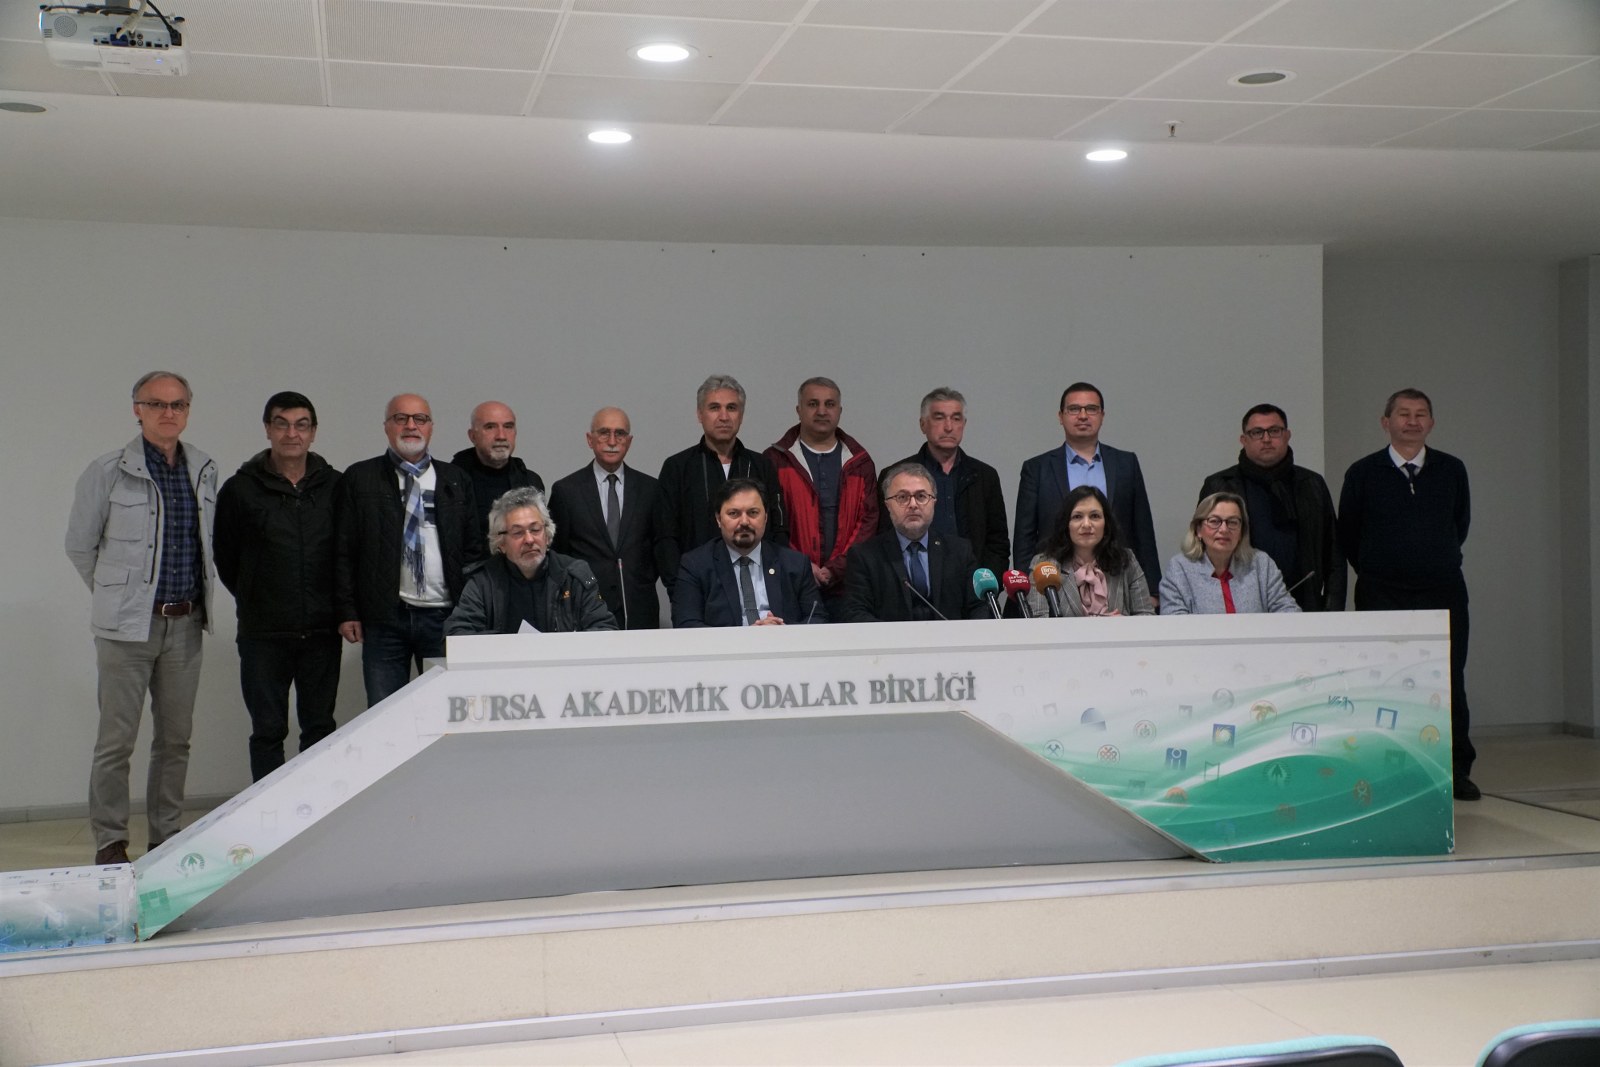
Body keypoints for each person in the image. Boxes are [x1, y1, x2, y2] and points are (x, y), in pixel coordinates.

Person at [66, 371, 217, 865]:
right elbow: (80, 546)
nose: (167, 413)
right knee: (116, 742)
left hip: (186, 626)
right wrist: (118, 598)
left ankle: (166, 837)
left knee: (175, 741)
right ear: (137, 409)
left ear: (187, 410)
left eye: (177, 405)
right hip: (126, 631)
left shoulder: (204, 469)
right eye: (156, 404)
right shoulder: (108, 470)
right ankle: (110, 841)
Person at [1338, 388, 1478, 800]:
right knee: (1385, 681)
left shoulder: (1452, 470)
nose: (1412, 421)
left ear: (1431, 423)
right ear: (1386, 423)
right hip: (1381, 592)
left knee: (1448, 678)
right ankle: (1384, 769)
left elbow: (1459, 525)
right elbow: (1349, 534)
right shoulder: (1363, 473)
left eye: (1420, 414)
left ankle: (1455, 769)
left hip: (1443, 590)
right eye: (1403, 414)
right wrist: (1381, 569)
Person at [214, 391, 342, 783]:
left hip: (322, 631)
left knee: (320, 728)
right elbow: (226, 558)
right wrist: (258, 596)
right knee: (268, 730)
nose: (292, 434)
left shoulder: (336, 487)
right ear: (268, 429)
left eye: (301, 425)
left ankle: (318, 807)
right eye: (282, 424)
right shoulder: (240, 490)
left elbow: (347, 552)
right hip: (263, 634)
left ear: (313, 432)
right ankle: (269, 813)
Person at [335, 393, 483, 706]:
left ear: (431, 427)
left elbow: (473, 551)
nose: (411, 426)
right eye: (400, 418)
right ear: (386, 427)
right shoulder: (360, 478)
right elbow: (344, 550)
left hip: (445, 618)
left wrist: (470, 611)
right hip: (385, 619)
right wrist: (348, 610)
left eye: (420, 419)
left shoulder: (456, 479)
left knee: (448, 711)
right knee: (386, 712)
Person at [1013, 382, 1160, 598]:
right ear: (1060, 416)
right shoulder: (1037, 468)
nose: (1083, 416)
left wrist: (1152, 590)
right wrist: (1026, 590)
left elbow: (1143, 530)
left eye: (1091, 409)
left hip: (1116, 581)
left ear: (1102, 415)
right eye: (1074, 409)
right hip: (1056, 585)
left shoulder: (1126, 464)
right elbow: (1024, 537)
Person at [1198, 403, 1345, 612]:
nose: (1266, 439)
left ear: (1287, 435)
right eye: (1257, 432)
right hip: (1239, 605)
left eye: (1274, 431)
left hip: (1305, 604)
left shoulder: (1311, 484)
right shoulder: (1220, 484)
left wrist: (1333, 609)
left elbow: (1333, 552)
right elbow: (1203, 551)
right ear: (1244, 440)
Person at [658, 375, 786, 593]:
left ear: (741, 415)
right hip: (697, 588)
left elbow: (778, 530)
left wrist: (775, 581)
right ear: (700, 414)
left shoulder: (761, 466)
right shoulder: (677, 468)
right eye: (714, 408)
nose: (724, 416)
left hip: (758, 586)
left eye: (732, 408)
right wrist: (679, 586)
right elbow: (665, 536)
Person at [548, 407, 672, 629]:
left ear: (629, 441)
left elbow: (660, 547)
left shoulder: (650, 489)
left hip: (639, 608)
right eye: (604, 433)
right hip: (584, 608)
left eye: (620, 434)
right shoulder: (566, 491)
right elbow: (558, 555)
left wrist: (641, 579)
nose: (612, 441)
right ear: (590, 439)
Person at [765, 377, 878, 601]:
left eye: (830, 404)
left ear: (840, 411)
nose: (822, 411)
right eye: (813, 404)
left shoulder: (860, 462)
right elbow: (769, 523)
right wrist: (801, 564)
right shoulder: (775, 460)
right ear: (799, 410)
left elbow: (868, 521)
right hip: (790, 583)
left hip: (848, 585)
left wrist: (836, 569)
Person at [446, 487, 617, 635]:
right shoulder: (483, 582)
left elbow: (604, 628)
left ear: (547, 535)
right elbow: (457, 634)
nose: (529, 539)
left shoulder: (574, 576)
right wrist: (511, 645)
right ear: (501, 543)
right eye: (518, 533)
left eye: (535, 529)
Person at [881, 387, 1009, 578]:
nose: (949, 427)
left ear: (964, 424)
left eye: (956, 418)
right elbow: (884, 539)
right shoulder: (896, 476)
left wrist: (986, 585)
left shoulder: (984, 476)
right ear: (923, 424)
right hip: (913, 584)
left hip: (972, 584)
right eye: (939, 418)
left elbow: (997, 543)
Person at [841, 463, 988, 622]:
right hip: (891, 637)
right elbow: (855, 612)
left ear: (933, 502)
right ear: (888, 505)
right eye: (902, 497)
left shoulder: (959, 551)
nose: (913, 505)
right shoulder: (864, 556)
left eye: (921, 496)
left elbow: (980, 606)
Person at [672, 478, 826, 628]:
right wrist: (746, 638)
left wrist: (782, 631)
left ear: (765, 517)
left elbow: (818, 618)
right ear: (718, 519)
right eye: (734, 513)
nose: (744, 522)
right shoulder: (695, 565)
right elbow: (686, 624)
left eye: (753, 512)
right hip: (728, 646)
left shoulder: (795, 564)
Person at [1159, 492, 1300, 615]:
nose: (1224, 529)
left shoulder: (1261, 563)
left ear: (1242, 531)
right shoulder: (1179, 568)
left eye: (1232, 522)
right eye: (1214, 521)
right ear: (1198, 530)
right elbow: (1174, 623)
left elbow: (1289, 611)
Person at [1027, 486, 1153, 618]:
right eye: (1077, 517)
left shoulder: (1125, 560)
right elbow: (1038, 621)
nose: (1086, 524)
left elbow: (1146, 614)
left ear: (1106, 523)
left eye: (1095, 516)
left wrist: (1122, 624)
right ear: (1066, 524)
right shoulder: (1044, 565)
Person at [451, 401, 544, 544]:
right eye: (490, 427)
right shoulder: (451, 482)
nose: (501, 436)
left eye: (508, 426)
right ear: (472, 436)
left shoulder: (531, 481)